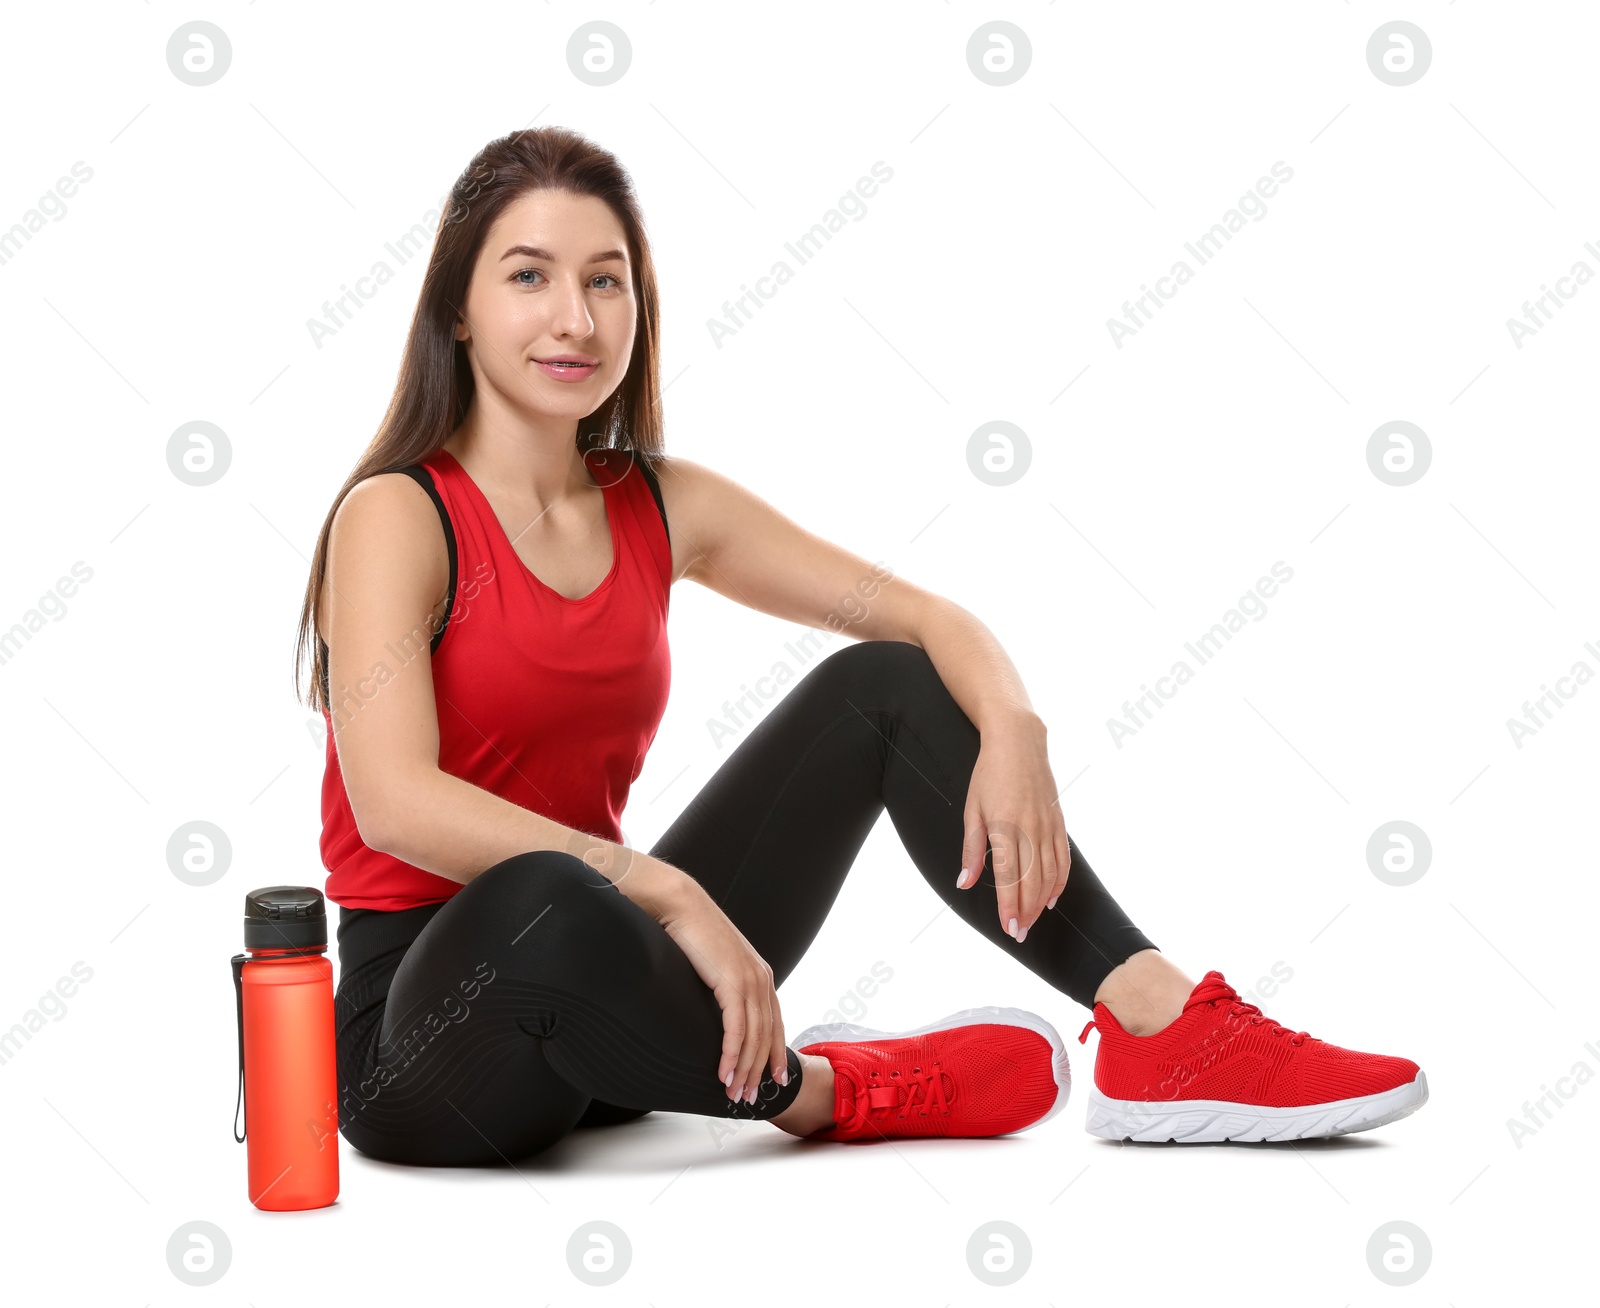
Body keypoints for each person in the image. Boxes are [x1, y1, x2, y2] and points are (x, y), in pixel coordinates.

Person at [294, 126, 1428, 1163]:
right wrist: (671, 897)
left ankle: (1156, 1021)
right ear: (458, 307)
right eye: (529, 277)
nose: (575, 320)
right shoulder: (399, 513)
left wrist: (1015, 727)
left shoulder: (660, 503)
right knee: (545, 900)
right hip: (432, 1045)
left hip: (620, 993)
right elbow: (393, 801)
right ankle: (834, 1091)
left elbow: (924, 619)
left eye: (606, 281)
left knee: (880, 689)